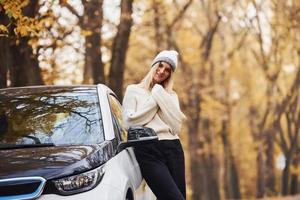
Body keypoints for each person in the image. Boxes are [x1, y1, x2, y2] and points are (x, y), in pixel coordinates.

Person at [122, 50, 187, 200]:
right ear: (154, 65)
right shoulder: (133, 91)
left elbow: (176, 127)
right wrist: (156, 96)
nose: (162, 71)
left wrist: (160, 93)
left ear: (170, 75)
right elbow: (129, 122)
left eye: (168, 70)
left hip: (173, 148)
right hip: (147, 149)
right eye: (160, 65)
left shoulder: (171, 95)